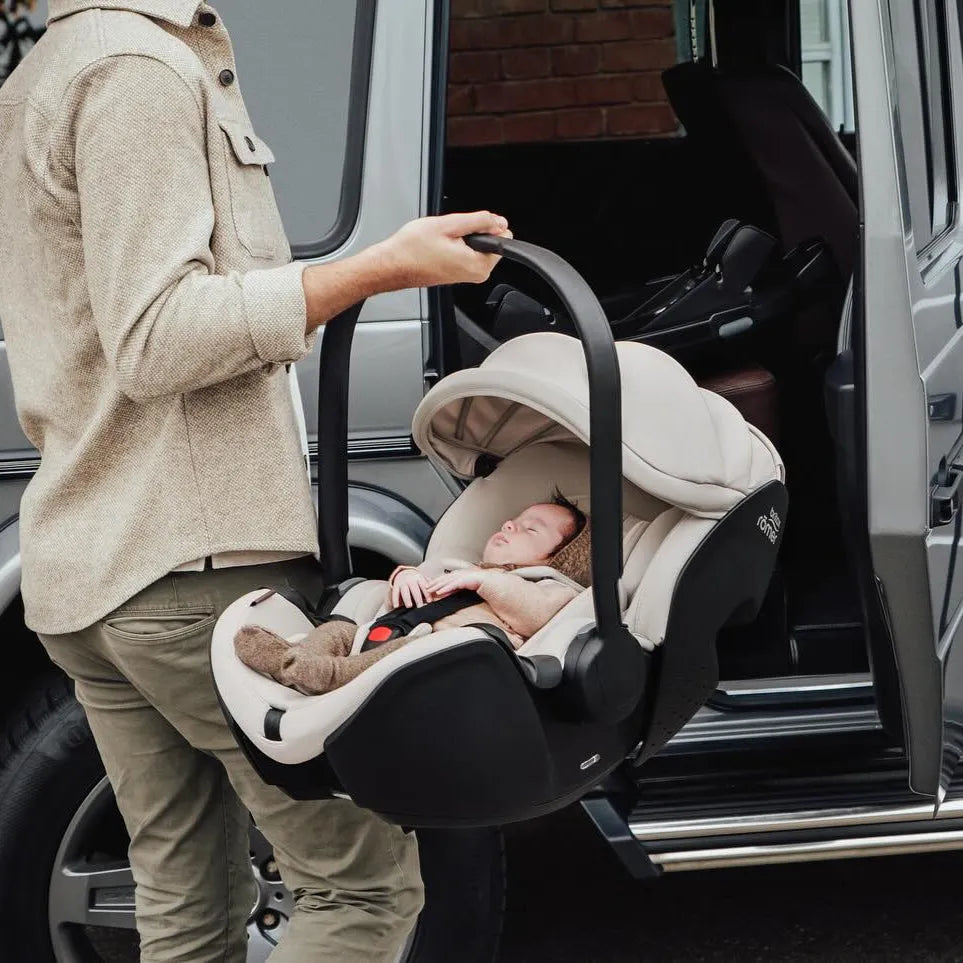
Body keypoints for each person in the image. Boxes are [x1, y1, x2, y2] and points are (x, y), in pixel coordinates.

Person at [0, 2, 510, 960]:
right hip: (192, 569)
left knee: (186, 902)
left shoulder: (53, 62)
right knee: (358, 888)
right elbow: (157, 337)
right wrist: (378, 269)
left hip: (99, 566)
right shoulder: (133, 73)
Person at [235, 494, 592, 694]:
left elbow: (536, 613)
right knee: (338, 628)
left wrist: (485, 583)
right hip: (391, 628)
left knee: (410, 654)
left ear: (557, 558)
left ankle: (323, 675)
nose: (509, 525)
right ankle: (300, 660)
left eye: (531, 529)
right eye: (512, 519)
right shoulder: (460, 566)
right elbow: (418, 580)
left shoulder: (549, 587)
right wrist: (405, 578)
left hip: (442, 661)